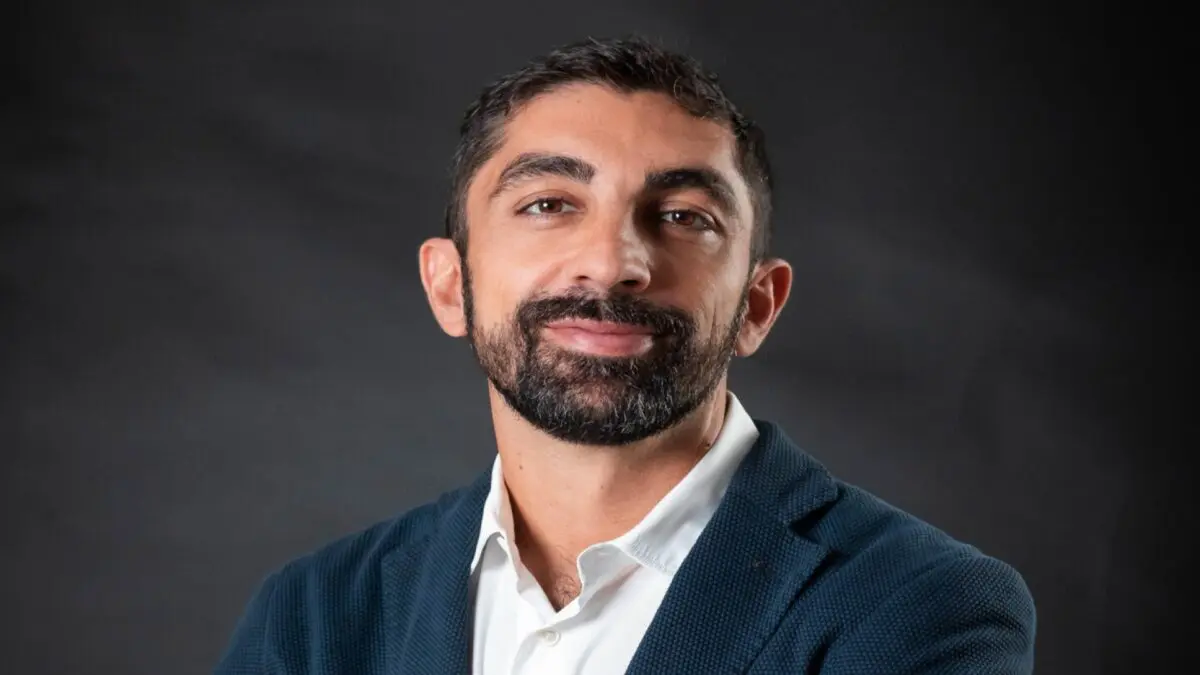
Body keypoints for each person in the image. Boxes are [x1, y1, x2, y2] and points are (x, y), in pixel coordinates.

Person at [215, 36, 1036, 674]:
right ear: (450, 285)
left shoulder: (921, 609)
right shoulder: (312, 617)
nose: (611, 263)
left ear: (757, 305)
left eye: (683, 216)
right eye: (549, 203)